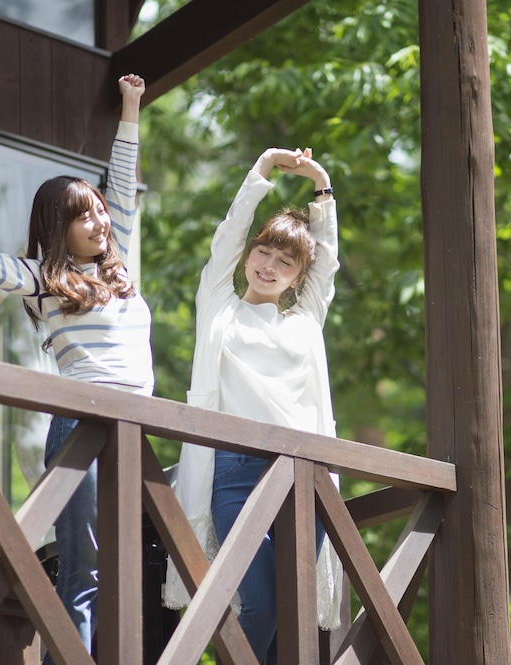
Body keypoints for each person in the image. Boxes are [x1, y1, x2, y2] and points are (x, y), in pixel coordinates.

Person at [0, 74, 152, 661]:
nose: (101, 222)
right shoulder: (42, 280)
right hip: (81, 429)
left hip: (134, 431)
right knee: (87, 573)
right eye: (85, 217)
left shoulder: (120, 264)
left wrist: (131, 106)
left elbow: (124, 185)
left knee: (132, 569)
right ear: (59, 229)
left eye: (100, 211)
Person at [164, 146, 343, 663]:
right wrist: (262, 169)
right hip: (235, 473)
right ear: (249, 256)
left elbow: (327, 262)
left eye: (286, 262)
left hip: (303, 479)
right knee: (256, 605)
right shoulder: (219, 306)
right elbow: (227, 235)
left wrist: (322, 187)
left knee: (291, 606)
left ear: (297, 278)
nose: (270, 266)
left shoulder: (305, 320)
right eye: (264, 253)